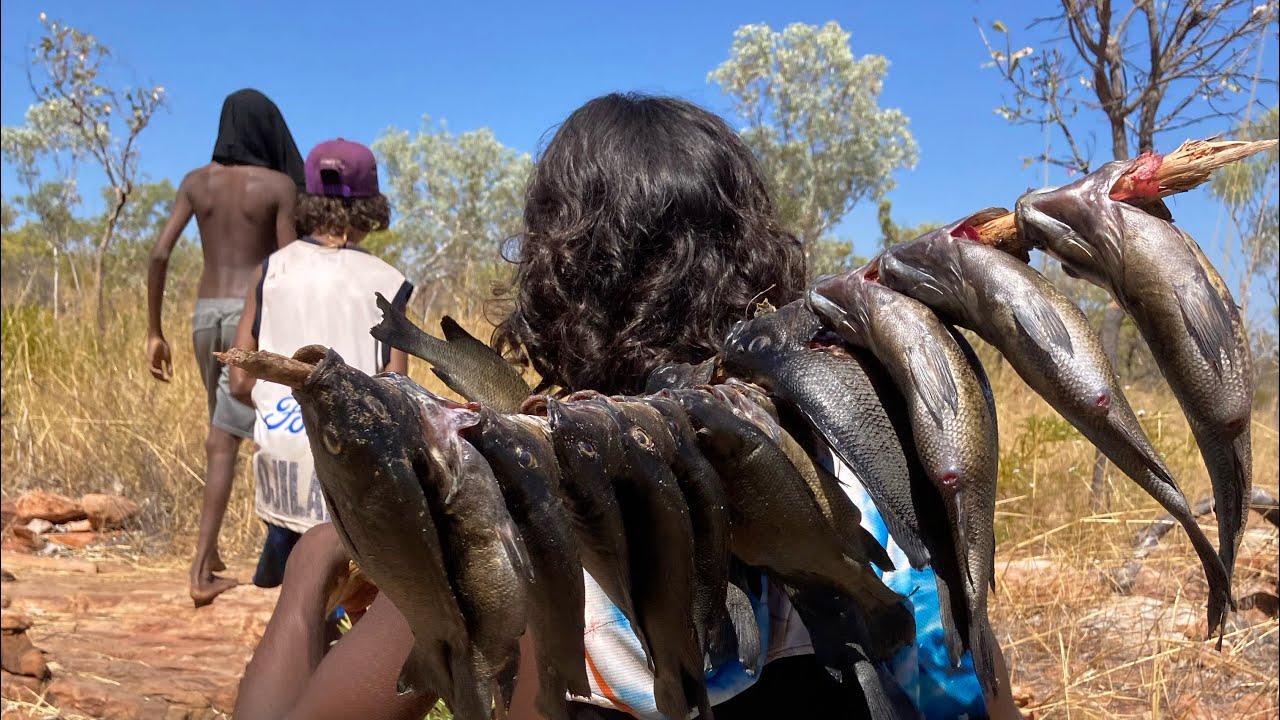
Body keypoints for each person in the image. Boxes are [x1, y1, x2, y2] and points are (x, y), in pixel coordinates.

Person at [234, 93, 1024, 719]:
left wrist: (309, 573)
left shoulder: (512, 500)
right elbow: (986, 693)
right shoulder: (873, 470)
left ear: (553, 281)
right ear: (761, 254)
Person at [227, 138, 413, 590]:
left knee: (299, 597)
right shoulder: (388, 282)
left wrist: (284, 408)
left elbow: (237, 380)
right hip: (352, 475)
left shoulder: (271, 270)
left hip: (285, 466)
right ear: (371, 205)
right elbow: (396, 389)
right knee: (347, 600)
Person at [146, 88, 305, 607]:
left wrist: (154, 331)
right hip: (248, 319)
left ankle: (211, 557)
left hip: (202, 316)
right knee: (234, 437)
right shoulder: (277, 185)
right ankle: (203, 569)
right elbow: (285, 266)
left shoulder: (196, 183)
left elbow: (159, 253)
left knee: (224, 430)